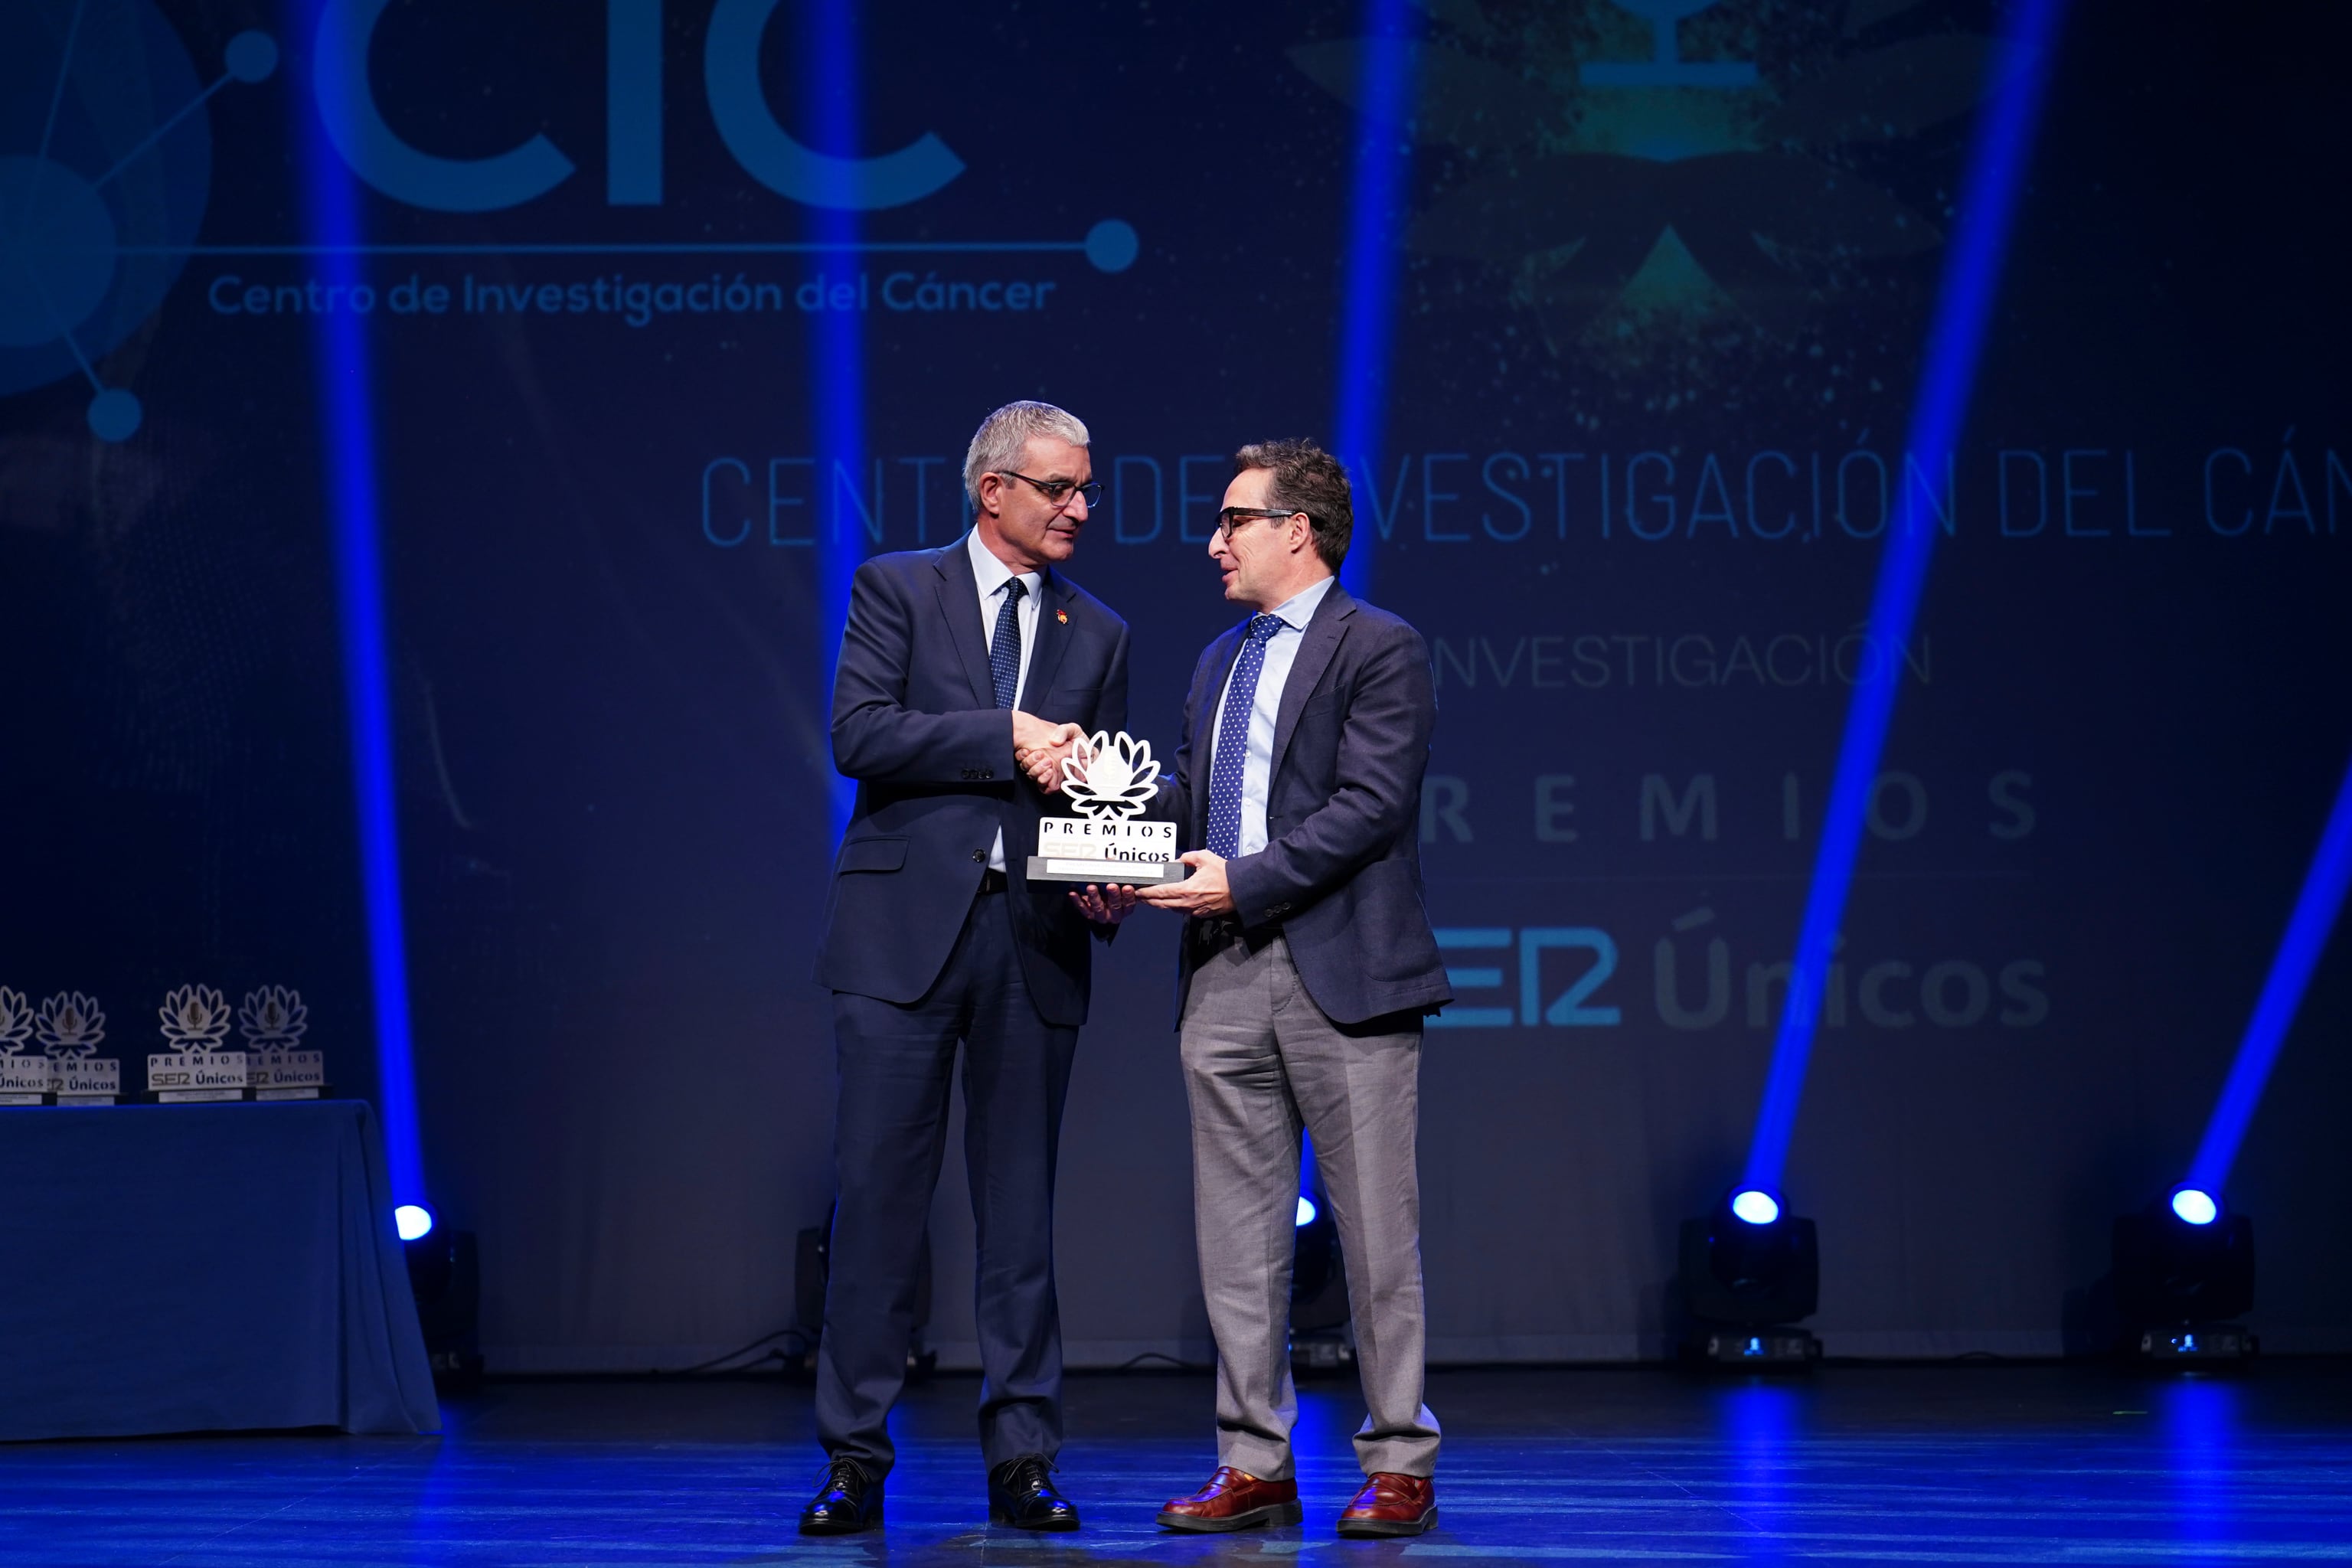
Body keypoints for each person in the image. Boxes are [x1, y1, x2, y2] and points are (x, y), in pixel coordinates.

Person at [1074, 439, 1452, 1537]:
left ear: (1301, 528)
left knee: (1377, 1235)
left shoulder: (1381, 647)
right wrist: (1117, 864)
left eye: (1234, 520)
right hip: (1225, 979)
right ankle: (1255, 1462)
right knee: (1235, 1238)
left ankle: (1399, 1461)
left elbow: (1369, 805)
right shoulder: (1215, 662)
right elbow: (1195, 796)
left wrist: (1241, 882)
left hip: (1345, 973)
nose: (1213, 542)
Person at [805, 400, 1129, 1536]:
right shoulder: (898, 588)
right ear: (994, 489)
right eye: (1058, 489)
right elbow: (861, 734)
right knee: (881, 1210)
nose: (1080, 508)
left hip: (1031, 943)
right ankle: (854, 1458)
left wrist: (1112, 876)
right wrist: (1006, 734)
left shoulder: (1102, 631)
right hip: (899, 943)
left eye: (1086, 489)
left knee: (1021, 1219)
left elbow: (1110, 792)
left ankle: (1024, 1461)